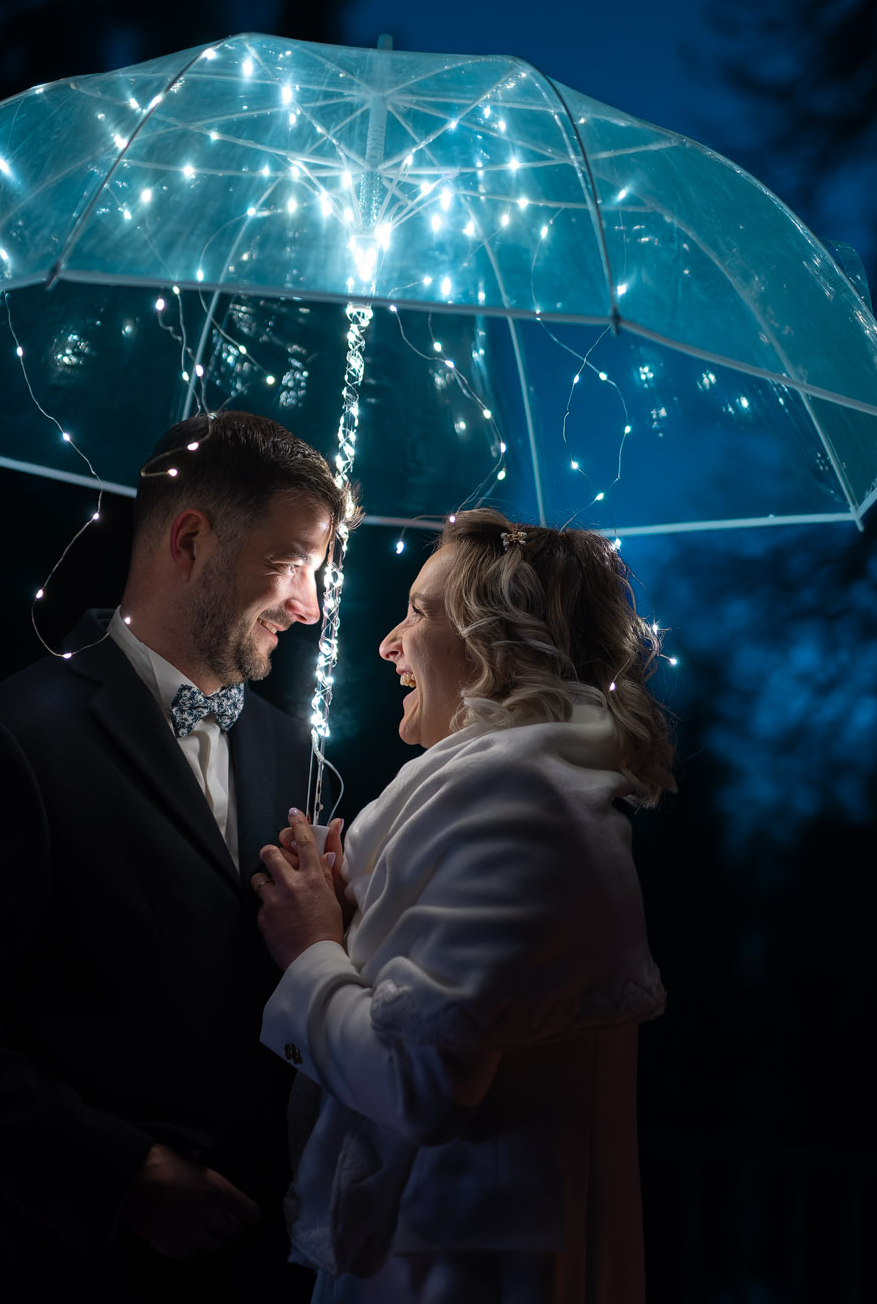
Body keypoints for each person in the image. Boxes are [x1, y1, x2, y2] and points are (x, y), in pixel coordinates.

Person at [0, 410, 358, 1302]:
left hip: (279, 1272)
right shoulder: (7, 739)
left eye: (317, 574)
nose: (309, 605)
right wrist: (121, 1175)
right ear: (191, 539)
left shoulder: (297, 757)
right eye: (291, 564)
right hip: (88, 1272)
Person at [251, 508, 675, 1303]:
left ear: (493, 643)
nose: (387, 642)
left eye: (418, 610)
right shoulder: (527, 793)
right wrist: (357, 923)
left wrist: (312, 949)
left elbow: (424, 1083)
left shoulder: (516, 799)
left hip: (455, 1274)